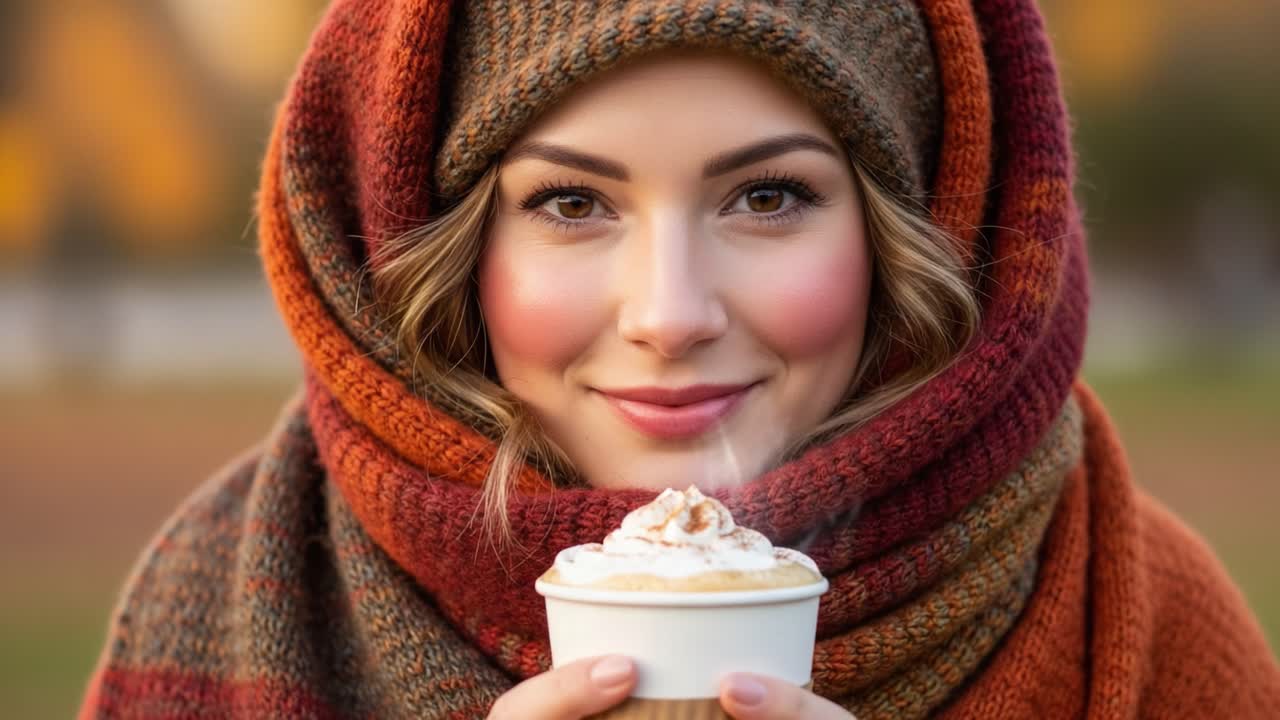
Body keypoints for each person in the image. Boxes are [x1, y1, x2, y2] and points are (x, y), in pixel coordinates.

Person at [79, 1, 1280, 718]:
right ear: (441, 242)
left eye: (767, 196)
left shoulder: (1132, 615)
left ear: (909, 231)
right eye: (568, 204)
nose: (668, 313)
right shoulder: (224, 593)